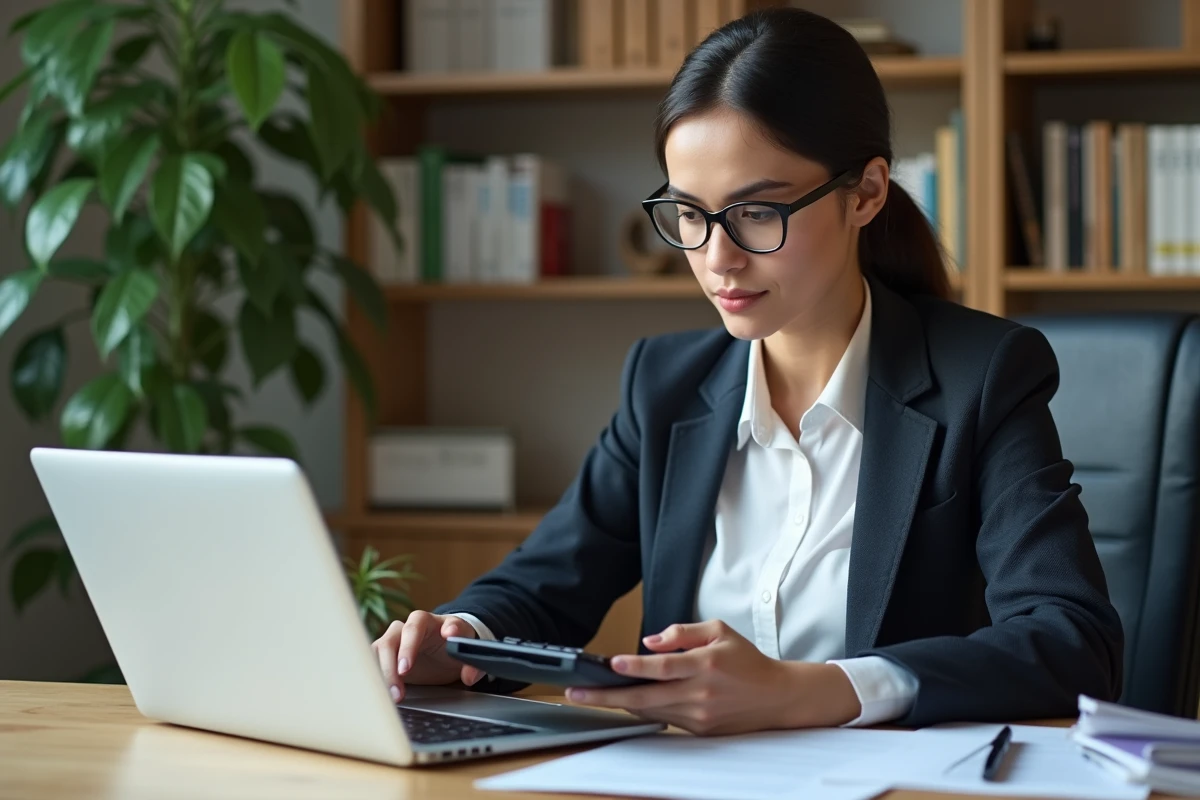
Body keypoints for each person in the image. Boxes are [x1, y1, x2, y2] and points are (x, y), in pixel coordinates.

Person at [371, 6, 1123, 736]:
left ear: (865, 193)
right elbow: (545, 582)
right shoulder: (664, 385)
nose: (716, 258)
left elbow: (1072, 639)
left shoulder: (982, 377)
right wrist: (458, 639)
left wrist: (813, 691)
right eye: (690, 214)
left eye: (758, 213)